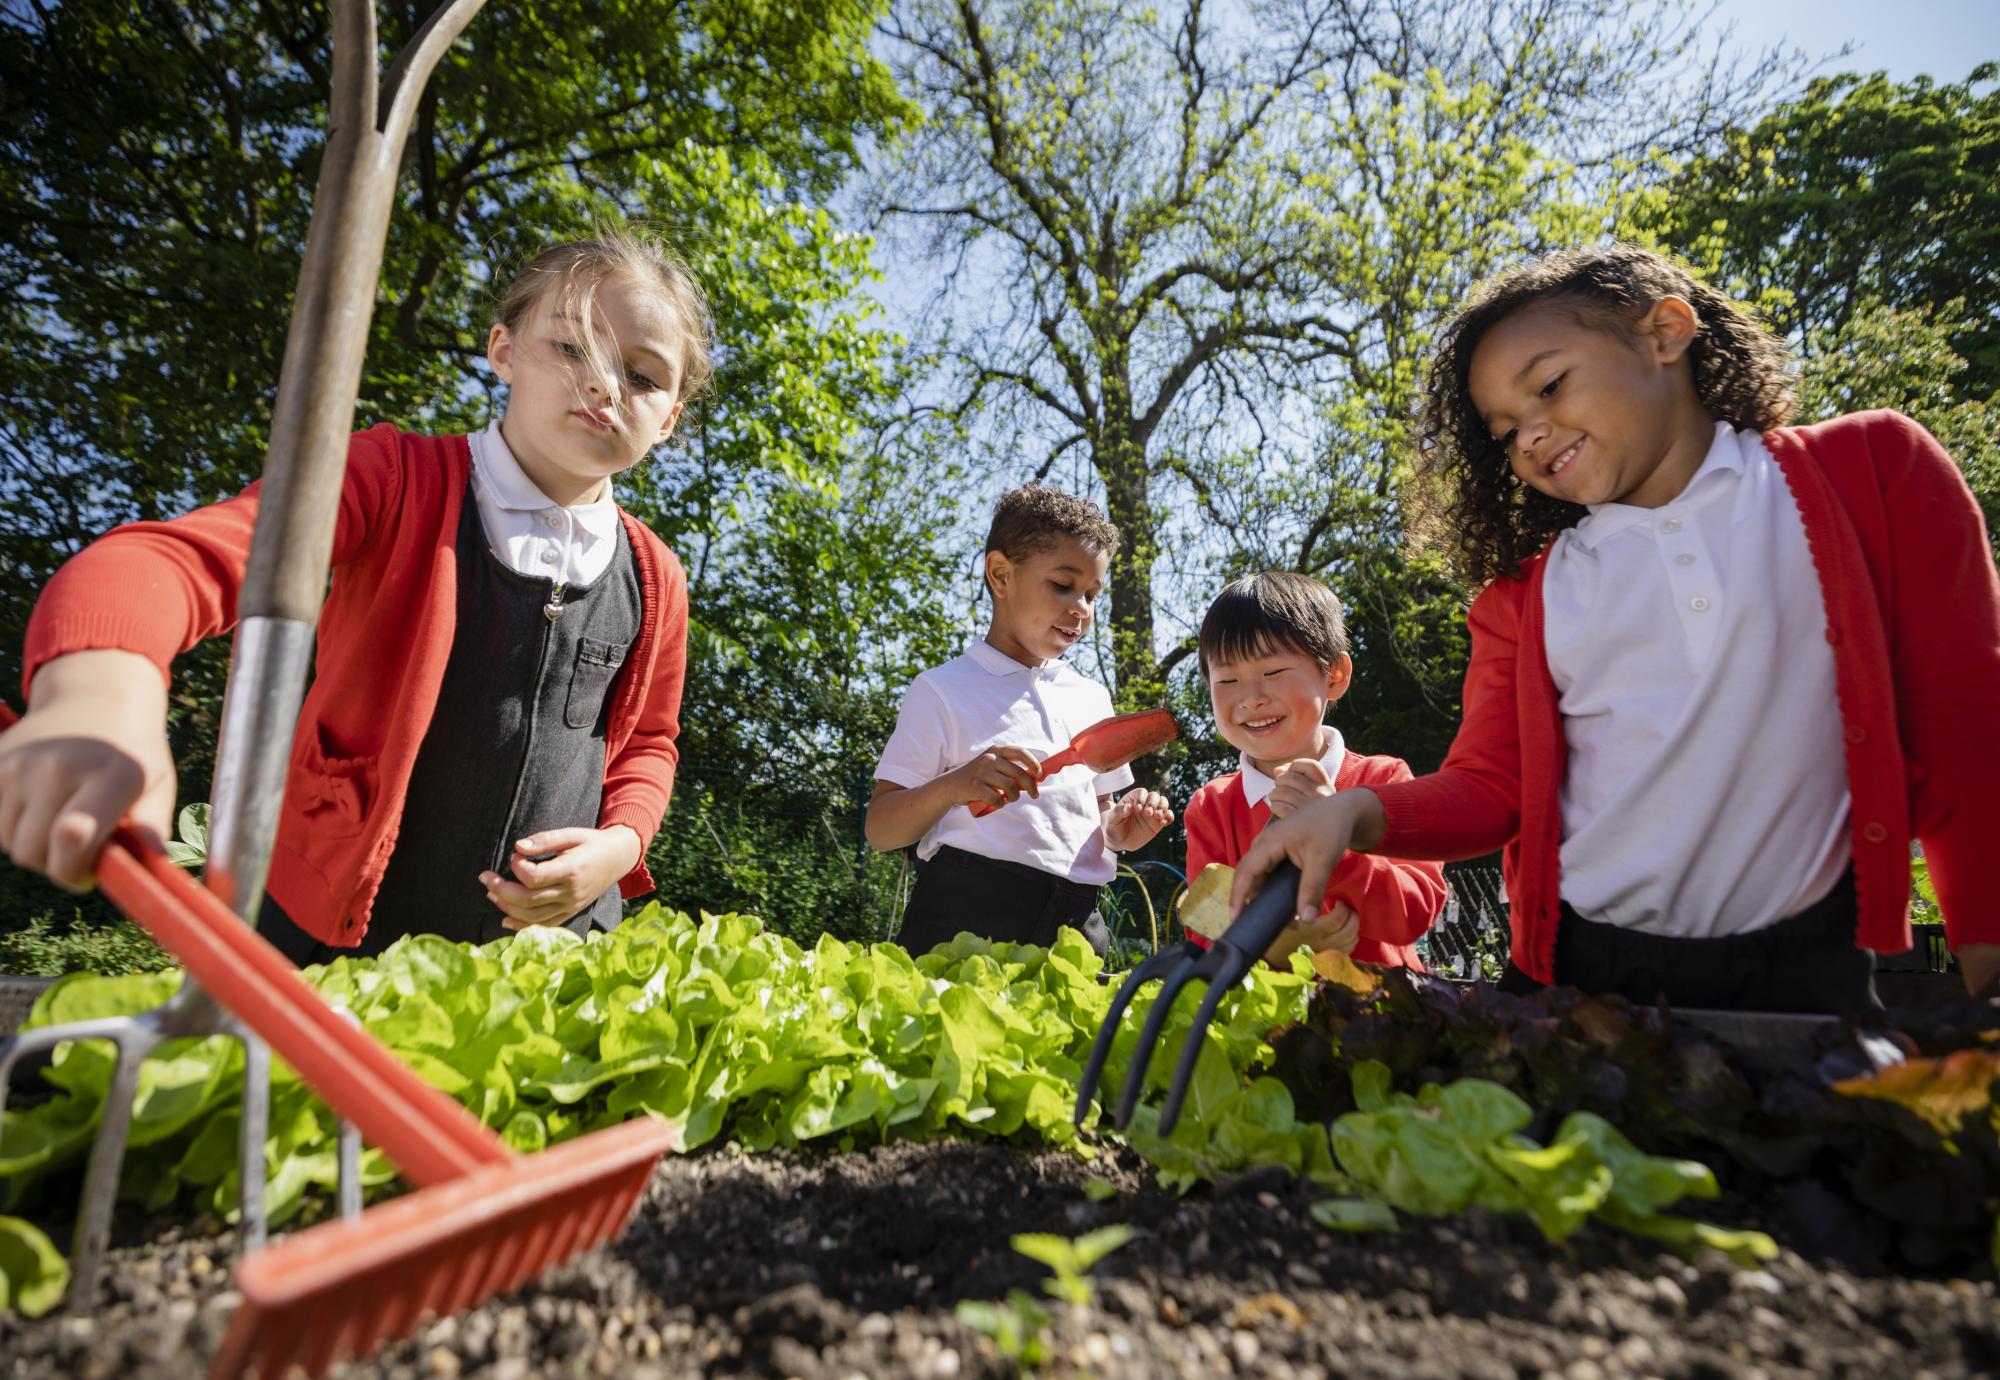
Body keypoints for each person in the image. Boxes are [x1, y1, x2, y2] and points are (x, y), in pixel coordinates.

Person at [1228, 243, 2000, 1012]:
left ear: (1665, 332)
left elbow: (1965, 729)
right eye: (1504, 431)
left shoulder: (1873, 471)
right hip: (1578, 977)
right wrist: (1356, 813)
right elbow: (1492, 788)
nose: (1530, 436)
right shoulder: (1524, 599)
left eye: (1551, 385)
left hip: (1807, 971)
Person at [0, 230, 708, 962]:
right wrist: (99, 692)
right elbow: (165, 563)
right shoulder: (391, 478)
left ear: (670, 418)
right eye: (571, 347)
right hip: (340, 937)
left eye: (643, 376)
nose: (603, 383)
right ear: (502, 350)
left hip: (550, 959)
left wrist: (619, 848)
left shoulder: (656, 576)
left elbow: (649, 743)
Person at [867, 484, 1174, 955]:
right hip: (966, 915)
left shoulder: (1092, 697)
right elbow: (881, 829)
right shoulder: (942, 689)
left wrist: (1118, 833)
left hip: (1076, 923)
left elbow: (1099, 820)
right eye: (1063, 585)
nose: (1081, 609)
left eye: (1092, 594)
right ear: (1001, 575)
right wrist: (955, 785)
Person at [1186, 572, 1445, 967]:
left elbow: (1416, 912)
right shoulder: (1212, 807)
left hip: (1380, 1018)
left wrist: (1335, 849)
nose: (1251, 698)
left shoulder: (1383, 781)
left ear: (1334, 675)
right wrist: (1280, 948)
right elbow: (1204, 932)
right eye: (1228, 679)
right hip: (1264, 1025)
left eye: (1273, 673)